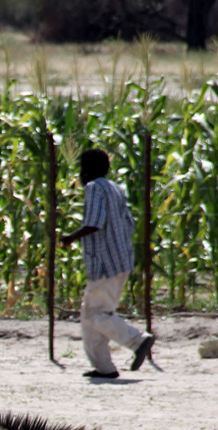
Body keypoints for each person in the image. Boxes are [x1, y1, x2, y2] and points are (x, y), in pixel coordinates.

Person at [59, 147, 154, 379]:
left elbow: (95, 223)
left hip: (105, 263)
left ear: (89, 169)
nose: (81, 174)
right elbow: (128, 224)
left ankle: (138, 341)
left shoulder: (94, 188)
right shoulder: (116, 188)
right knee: (91, 315)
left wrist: (70, 237)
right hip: (121, 259)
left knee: (95, 314)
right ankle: (104, 368)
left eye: (82, 168)